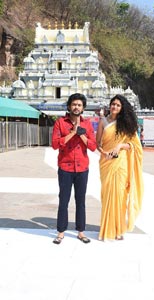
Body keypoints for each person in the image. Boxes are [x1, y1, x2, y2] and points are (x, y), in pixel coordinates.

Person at [96, 94, 144, 241]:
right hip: (106, 162)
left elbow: (135, 146)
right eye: (113, 104)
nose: (115, 107)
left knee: (120, 195)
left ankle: (118, 229)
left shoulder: (126, 124)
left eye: (118, 105)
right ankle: (107, 229)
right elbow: (98, 143)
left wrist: (120, 146)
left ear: (122, 108)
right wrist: (104, 153)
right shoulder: (103, 122)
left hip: (121, 162)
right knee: (107, 195)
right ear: (109, 105)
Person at [51, 93, 97, 244]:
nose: (76, 107)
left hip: (82, 168)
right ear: (69, 106)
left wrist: (81, 135)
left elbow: (92, 146)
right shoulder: (60, 123)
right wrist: (72, 133)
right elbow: (55, 144)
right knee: (63, 200)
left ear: (83, 108)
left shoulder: (88, 124)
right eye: (74, 104)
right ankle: (61, 231)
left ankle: (81, 232)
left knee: (80, 200)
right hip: (65, 167)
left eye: (79, 105)